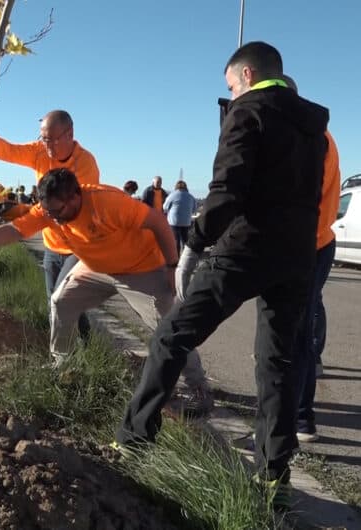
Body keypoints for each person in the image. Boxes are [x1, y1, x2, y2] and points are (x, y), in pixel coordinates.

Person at [115, 42, 329, 510]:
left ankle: (132, 442)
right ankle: (274, 483)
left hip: (244, 249)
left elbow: (228, 188)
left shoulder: (248, 110)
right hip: (296, 256)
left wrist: (193, 244)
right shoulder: (315, 126)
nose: (230, 94)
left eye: (231, 85)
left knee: (172, 336)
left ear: (247, 75)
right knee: (278, 365)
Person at [0, 168, 212, 413]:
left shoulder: (108, 203)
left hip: (140, 267)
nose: (52, 218)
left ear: (74, 197)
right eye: (47, 211)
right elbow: (14, 231)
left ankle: (198, 387)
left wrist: (171, 265)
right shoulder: (49, 208)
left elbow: (158, 222)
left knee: (167, 323)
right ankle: (64, 368)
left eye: (57, 211)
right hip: (97, 268)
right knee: (61, 301)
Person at [0, 109, 98, 342]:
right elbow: (8, 151)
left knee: (61, 301)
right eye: (43, 138)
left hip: (78, 247)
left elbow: (66, 212)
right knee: (57, 302)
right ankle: (72, 354)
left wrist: (19, 213)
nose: (46, 146)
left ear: (69, 133)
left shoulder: (85, 164)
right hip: (52, 246)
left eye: (52, 140)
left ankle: (69, 357)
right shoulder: (40, 152)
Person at [279, 74, 341, 444]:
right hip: (316, 243)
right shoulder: (318, 134)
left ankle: (299, 416)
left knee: (293, 330)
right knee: (303, 319)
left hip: (303, 245)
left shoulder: (307, 138)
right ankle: (298, 414)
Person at [162, 180, 197, 255]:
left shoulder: (172, 195)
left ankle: (176, 258)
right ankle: (186, 257)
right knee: (185, 240)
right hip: (186, 221)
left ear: (176, 187)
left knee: (175, 240)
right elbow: (194, 209)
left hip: (174, 221)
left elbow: (165, 207)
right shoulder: (191, 196)